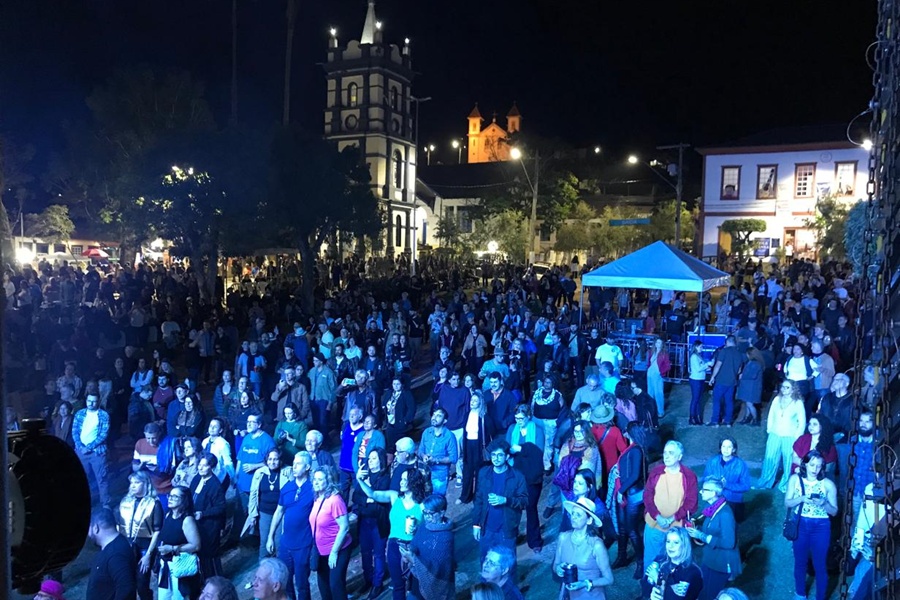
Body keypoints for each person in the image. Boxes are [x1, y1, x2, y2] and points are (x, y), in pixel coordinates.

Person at [356, 463, 427, 600]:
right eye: (401, 479)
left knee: (416, 584)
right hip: (394, 545)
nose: (401, 482)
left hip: (414, 546)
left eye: (405, 480)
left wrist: (417, 528)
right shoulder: (394, 497)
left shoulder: (422, 504)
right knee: (397, 584)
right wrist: (359, 479)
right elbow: (372, 494)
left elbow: (427, 528)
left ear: (414, 482)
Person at [785, 451, 838, 600]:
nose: (815, 469)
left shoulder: (828, 484)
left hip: (820, 527)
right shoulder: (795, 480)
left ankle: (820, 597)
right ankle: (800, 594)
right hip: (800, 523)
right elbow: (787, 502)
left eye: (819, 466)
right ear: (805, 464)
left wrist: (824, 503)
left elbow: (834, 511)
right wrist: (801, 498)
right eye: (812, 465)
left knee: (820, 564)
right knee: (800, 561)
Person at [642, 441, 698, 570]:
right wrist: (658, 517)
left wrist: (672, 518)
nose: (666, 456)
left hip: (676, 528)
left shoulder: (689, 476)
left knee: (676, 562)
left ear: (679, 457)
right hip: (654, 525)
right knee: (651, 561)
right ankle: (649, 587)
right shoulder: (656, 472)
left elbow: (691, 503)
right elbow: (648, 496)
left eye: (671, 453)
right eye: (665, 452)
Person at [267, 452, 315, 600]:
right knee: (285, 582)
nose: (294, 467)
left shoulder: (313, 488)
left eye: (298, 464)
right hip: (285, 544)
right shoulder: (287, 487)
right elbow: (278, 512)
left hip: (303, 544)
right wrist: (270, 537)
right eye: (293, 463)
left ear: (307, 467)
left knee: (302, 583)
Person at [685, 477, 741, 600]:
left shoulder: (725, 514)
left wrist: (701, 536)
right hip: (710, 559)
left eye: (704, 490)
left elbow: (729, 543)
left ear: (713, 493)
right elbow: (709, 525)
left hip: (721, 562)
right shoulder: (712, 507)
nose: (700, 492)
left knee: (712, 595)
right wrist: (695, 525)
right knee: (702, 590)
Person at [472, 439, 528, 564]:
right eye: (493, 454)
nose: (496, 458)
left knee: (507, 565)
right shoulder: (484, 473)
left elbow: (524, 501)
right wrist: (476, 524)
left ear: (507, 457)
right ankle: (487, 584)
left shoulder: (517, 476)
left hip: (506, 529)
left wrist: (506, 500)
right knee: (486, 562)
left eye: (500, 455)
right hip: (486, 528)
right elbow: (479, 499)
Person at [553, 497, 614, 599]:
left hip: (591, 595)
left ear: (589, 520)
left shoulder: (596, 545)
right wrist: (558, 569)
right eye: (573, 513)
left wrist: (585, 583)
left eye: (578, 515)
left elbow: (609, 579)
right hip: (570, 595)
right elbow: (556, 565)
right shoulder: (563, 538)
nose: (573, 517)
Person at [117, 470, 163, 600]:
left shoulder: (154, 503)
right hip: (127, 547)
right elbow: (119, 526)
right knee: (127, 582)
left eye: (136, 482)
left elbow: (157, 530)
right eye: (131, 482)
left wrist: (148, 555)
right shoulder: (125, 502)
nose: (133, 485)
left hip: (145, 548)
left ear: (145, 483)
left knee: (142, 583)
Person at [506, 403, 545, 553]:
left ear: (529, 416)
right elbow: (508, 448)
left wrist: (521, 449)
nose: (518, 421)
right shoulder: (512, 429)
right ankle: (514, 535)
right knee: (514, 507)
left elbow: (538, 452)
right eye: (516, 418)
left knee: (530, 507)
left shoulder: (537, 431)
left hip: (532, 475)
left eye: (521, 418)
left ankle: (534, 541)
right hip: (516, 474)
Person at [402, 493, 456, 600]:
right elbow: (416, 544)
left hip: (435, 587)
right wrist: (409, 551)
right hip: (417, 583)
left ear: (441, 512)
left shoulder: (446, 537)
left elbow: (439, 567)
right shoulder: (424, 526)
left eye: (430, 513)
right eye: (425, 513)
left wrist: (413, 560)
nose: (427, 517)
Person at [353, 447, 391, 600]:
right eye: (369, 458)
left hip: (378, 522)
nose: (370, 461)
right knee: (365, 552)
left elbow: (380, 503)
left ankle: (377, 583)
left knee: (379, 554)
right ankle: (368, 579)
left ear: (380, 460)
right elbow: (356, 498)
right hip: (364, 521)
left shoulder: (385, 478)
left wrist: (370, 499)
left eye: (374, 458)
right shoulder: (363, 475)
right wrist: (368, 499)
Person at [611, 422, 647, 576]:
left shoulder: (636, 450)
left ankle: (641, 562)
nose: (624, 433)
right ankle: (622, 556)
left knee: (632, 530)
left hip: (633, 494)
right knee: (623, 527)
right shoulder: (632, 448)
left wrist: (621, 489)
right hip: (627, 492)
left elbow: (635, 475)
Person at [756, 381, 807, 492]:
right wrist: (769, 429)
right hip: (775, 434)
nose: (784, 389)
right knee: (770, 458)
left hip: (789, 436)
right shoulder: (776, 400)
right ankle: (765, 482)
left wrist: (797, 437)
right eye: (783, 387)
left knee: (788, 460)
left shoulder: (798, 403)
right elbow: (771, 415)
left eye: (787, 387)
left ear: (793, 389)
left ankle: (785, 484)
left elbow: (802, 422)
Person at [156, 486, 203, 600]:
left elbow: (196, 545)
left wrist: (172, 548)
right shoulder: (168, 515)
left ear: (184, 500)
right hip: (165, 565)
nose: (170, 499)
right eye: (170, 496)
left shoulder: (187, 520)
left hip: (180, 566)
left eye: (175, 497)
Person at [243, 449, 290, 560]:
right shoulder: (260, 473)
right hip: (265, 512)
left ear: (280, 460)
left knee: (279, 542)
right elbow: (253, 494)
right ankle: (263, 570)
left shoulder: (288, 471)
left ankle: (279, 570)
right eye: (270, 459)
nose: (272, 462)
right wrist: (252, 514)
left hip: (281, 513)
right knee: (264, 542)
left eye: (275, 459)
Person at [87, 507, 138, 600]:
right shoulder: (113, 544)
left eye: (89, 529)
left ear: (96, 528)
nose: (88, 534)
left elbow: (126, 588)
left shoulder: (116, 554)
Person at [640, 527, 704, 600]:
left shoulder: (693, 572)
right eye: (668, 541)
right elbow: (645, 588)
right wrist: (652, 594)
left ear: (684, 545)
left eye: (676, 542)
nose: (670, 546)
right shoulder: (660, 560)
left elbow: (679, 598)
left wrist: (658, 579)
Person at [236, 411, 277, 524]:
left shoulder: (267, 441)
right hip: (241, 483)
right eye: (247, 422)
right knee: (241, 513)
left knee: (254, 515)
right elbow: (240, 458)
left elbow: (273, 463)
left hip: (255, 485)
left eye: (252, 422)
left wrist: (254, 466)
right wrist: (236, 474)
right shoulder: (247, 438)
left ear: (259, 424)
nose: (248, 424)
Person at [190, 453, 227, 578]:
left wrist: (203, 514)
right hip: (197, 524)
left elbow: (221, 508)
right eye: (199, 465)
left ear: (211, 467)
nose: (200, 468)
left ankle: (215, 580)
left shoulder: (215, 485)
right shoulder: (197, 478)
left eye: (204, 466)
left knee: (210, 555)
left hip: (210, 526)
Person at [73, 392, 111, 507]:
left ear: (98, 401)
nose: (91, 403)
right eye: (89, 401)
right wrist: (80, 446)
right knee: (82, 479)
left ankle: (105, 504)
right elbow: (75, 432)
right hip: (80, 451)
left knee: (102, 478)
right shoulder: (80, 414)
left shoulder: (103, 415)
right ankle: (84, 502)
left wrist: (89, 447)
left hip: (97, 452)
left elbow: (103, 434)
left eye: (94, 401)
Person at [702, 438, 750, 522]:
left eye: (729, 447)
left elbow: (746, 486)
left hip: (733, 500)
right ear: (720, 448)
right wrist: (715, 483)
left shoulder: (740, 464)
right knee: (713, 522)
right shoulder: (713, 462)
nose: (726, 450)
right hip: (715, 498)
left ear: (734, 449)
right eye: (723, 446)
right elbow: (705, 479)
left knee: (731, 522)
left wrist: (727, 485)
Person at [460, 389, 492, 504]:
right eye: (471, 400)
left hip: (479, 446)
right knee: (467, 470)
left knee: (479, 471)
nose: (472, 402)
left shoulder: (484, 417)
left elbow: (490, 433)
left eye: (475, 400)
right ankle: (465, 496)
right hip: (468, 445)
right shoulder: (467, 414)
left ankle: (478, 496)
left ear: (480, 402)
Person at [418, 407, 459, 496]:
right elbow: (420, 450)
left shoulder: (449, 436)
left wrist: (436, 460)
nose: (434, 417)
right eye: (434, 414)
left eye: (439, 416)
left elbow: (454, 458)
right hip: (424, 473)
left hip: (439, 475)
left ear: (444, 421)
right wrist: (423, 455)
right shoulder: (426, 432)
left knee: (437, 502)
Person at [707, 336, 743, 427]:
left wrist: (712, 377)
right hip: (732, 382)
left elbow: (718, 365)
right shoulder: (739, 354)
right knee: (729, 401)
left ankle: (715, 421)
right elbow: (739, 371)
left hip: (721, 381)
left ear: (727, 342)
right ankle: (728, 421)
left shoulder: (724, 351)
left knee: (717, 401)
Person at [532, 374, 565, 471]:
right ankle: (537, 462)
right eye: (545, 382)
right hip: (536, 421)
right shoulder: (537, 393)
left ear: (553, 384)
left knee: (548, 444)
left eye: (549, 382)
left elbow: (562, 409)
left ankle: (547, 465)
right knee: (537, 441)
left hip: (550, 423)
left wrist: (557, 422)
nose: (546, 384)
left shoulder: (557, 395)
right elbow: (532, 406)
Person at [381, 377, 416, 449]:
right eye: (394, 384)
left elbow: (411, 409)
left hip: (400, 424)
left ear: (402, 384)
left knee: (400, 445)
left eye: (398, 384)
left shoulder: (406, 394)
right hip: (390, 423)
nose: (395, 386)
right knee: (390, 445)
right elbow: (384, 403)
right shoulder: (389, 393)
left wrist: (406, 420)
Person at [202, 417, 235, 486]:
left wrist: (233, 477)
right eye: (211, 426)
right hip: (205, 472)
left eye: (215, 427)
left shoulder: (223, 443)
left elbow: (228, 462)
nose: (212, 428)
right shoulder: (205, 441)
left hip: (217, 475)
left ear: (220, 430)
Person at [735, 347, 763, 425]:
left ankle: (755, 420)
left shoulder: (755, 364)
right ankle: (747, 418)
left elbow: (752, 375)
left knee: (750, 404)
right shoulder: (752, 362)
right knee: (748, 404)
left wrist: (742, 376)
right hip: (749, 387)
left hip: (751, 388)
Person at [647, 339, 670, 418]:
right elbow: (649, 362)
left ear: (662, 344)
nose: (657, 344)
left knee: (658, 393)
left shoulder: (664, 354)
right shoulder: (651, 351)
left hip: (657, 375)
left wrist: (661, 372)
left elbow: (668, 366)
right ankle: (651, 410)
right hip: (649, 374)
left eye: (659, 342)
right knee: (650, 393)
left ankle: (660, 411)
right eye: (656, 342)